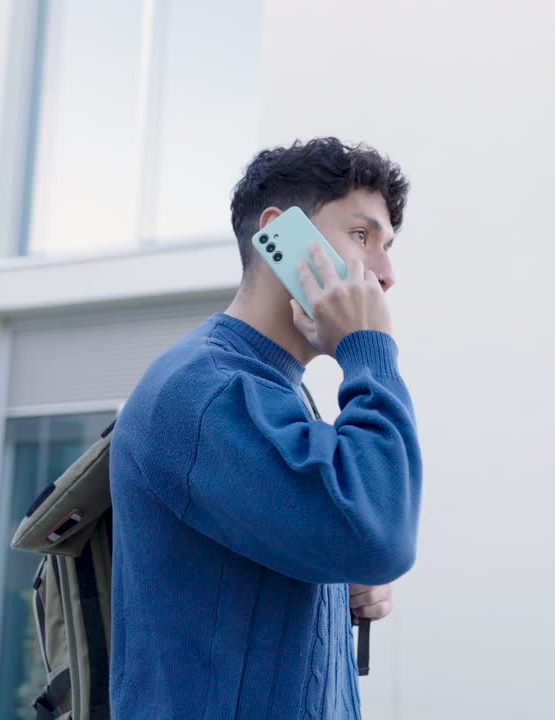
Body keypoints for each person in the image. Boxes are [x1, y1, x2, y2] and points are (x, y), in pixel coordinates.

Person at [109, 137, 422, 719]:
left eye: (387, 246)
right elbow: (381, 536)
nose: (384, 274)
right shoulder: (205, 390)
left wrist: (342, 573)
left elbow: (366, 540)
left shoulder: (272, 391)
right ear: (280, 236)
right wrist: (367, 349)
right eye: (362, 236)